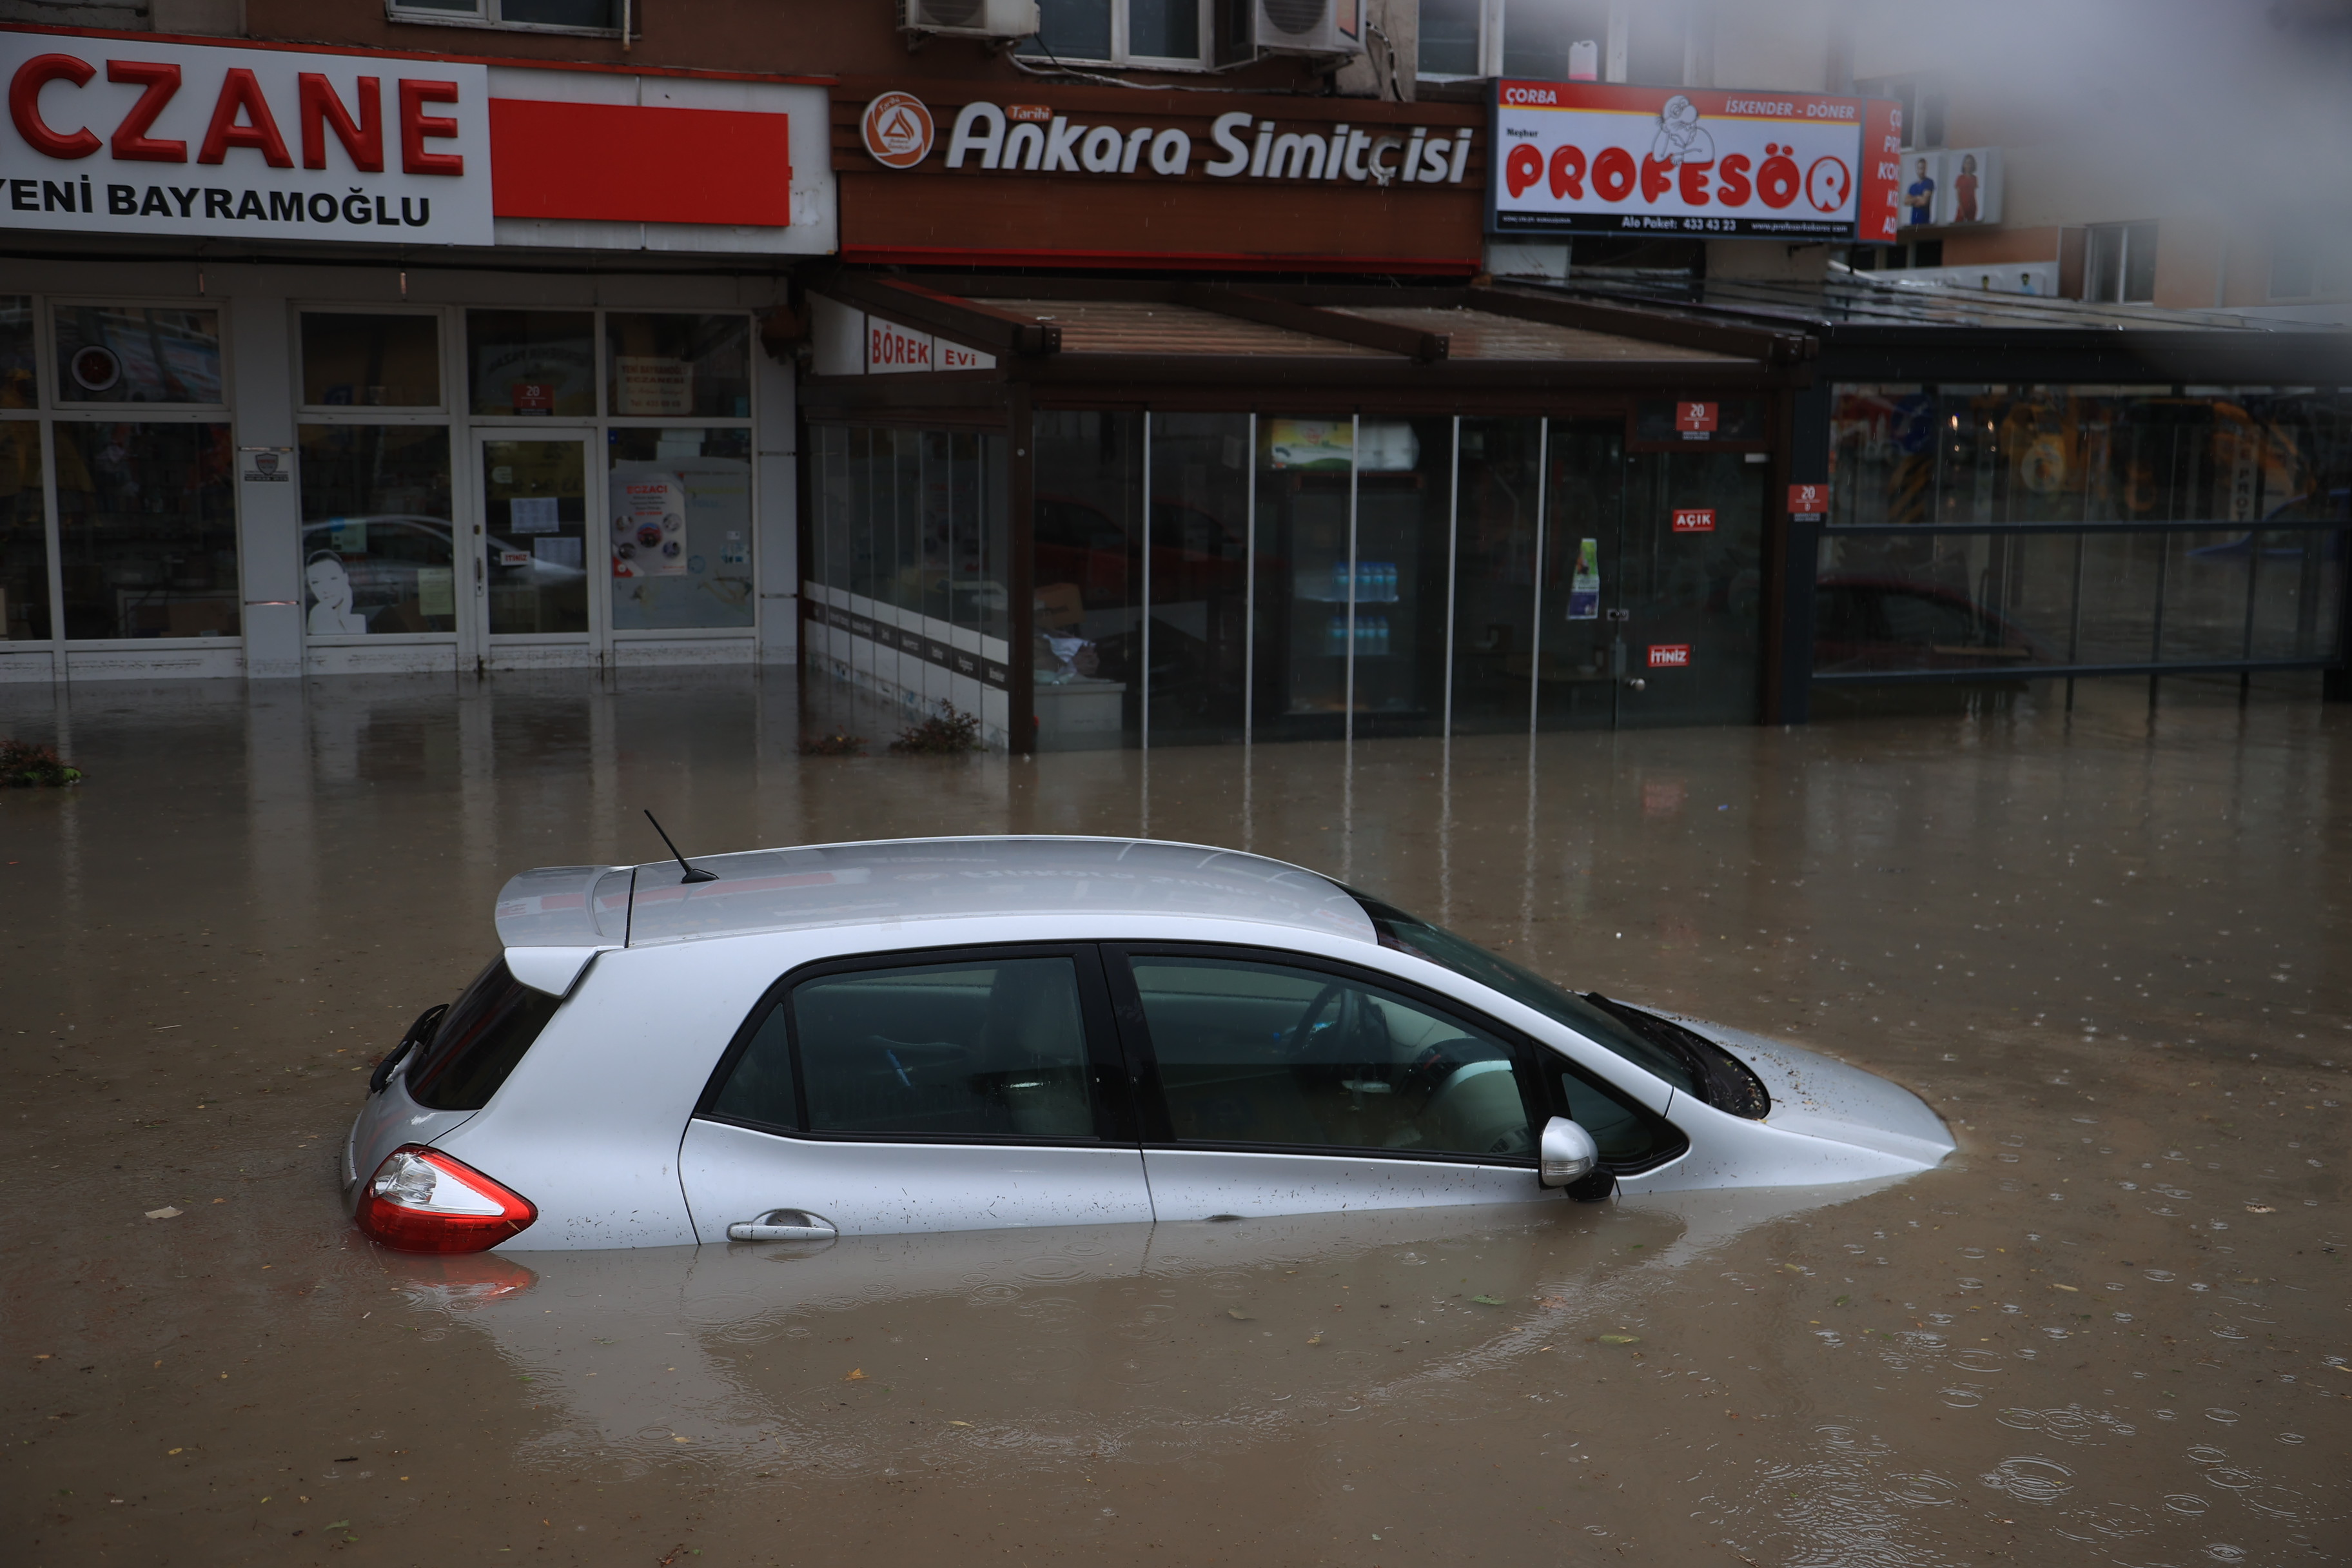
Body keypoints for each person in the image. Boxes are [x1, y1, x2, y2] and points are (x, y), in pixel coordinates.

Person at [305, 551, 368, 634]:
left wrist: (344, 614)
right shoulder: (319, 612)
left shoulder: (361, 610)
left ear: (345, 578)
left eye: (333, 579)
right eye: (316, 582)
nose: (325, 589)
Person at [1906, 158, 1936, 226]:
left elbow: (1924, 201)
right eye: (1920, 168)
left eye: (1923, 168)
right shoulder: (1913, 186)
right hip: (1913, 222)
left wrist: (1913, 200)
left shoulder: (1929, 182)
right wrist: (1918, 198)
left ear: (1926, 169)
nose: (1922, 171)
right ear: (1917, 169)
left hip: (1924, 222)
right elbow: (1906, 201)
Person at [1952, 153, 1979, 224]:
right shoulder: (1960, 178)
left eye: (1970, 163)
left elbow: (1973, 193)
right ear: (1964, 164)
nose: (1968, 166)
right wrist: (1961, 208)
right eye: (1967, 163)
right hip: (1963, 205)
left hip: (1972, 206)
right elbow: (1958, 194)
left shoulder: (1975, 178)